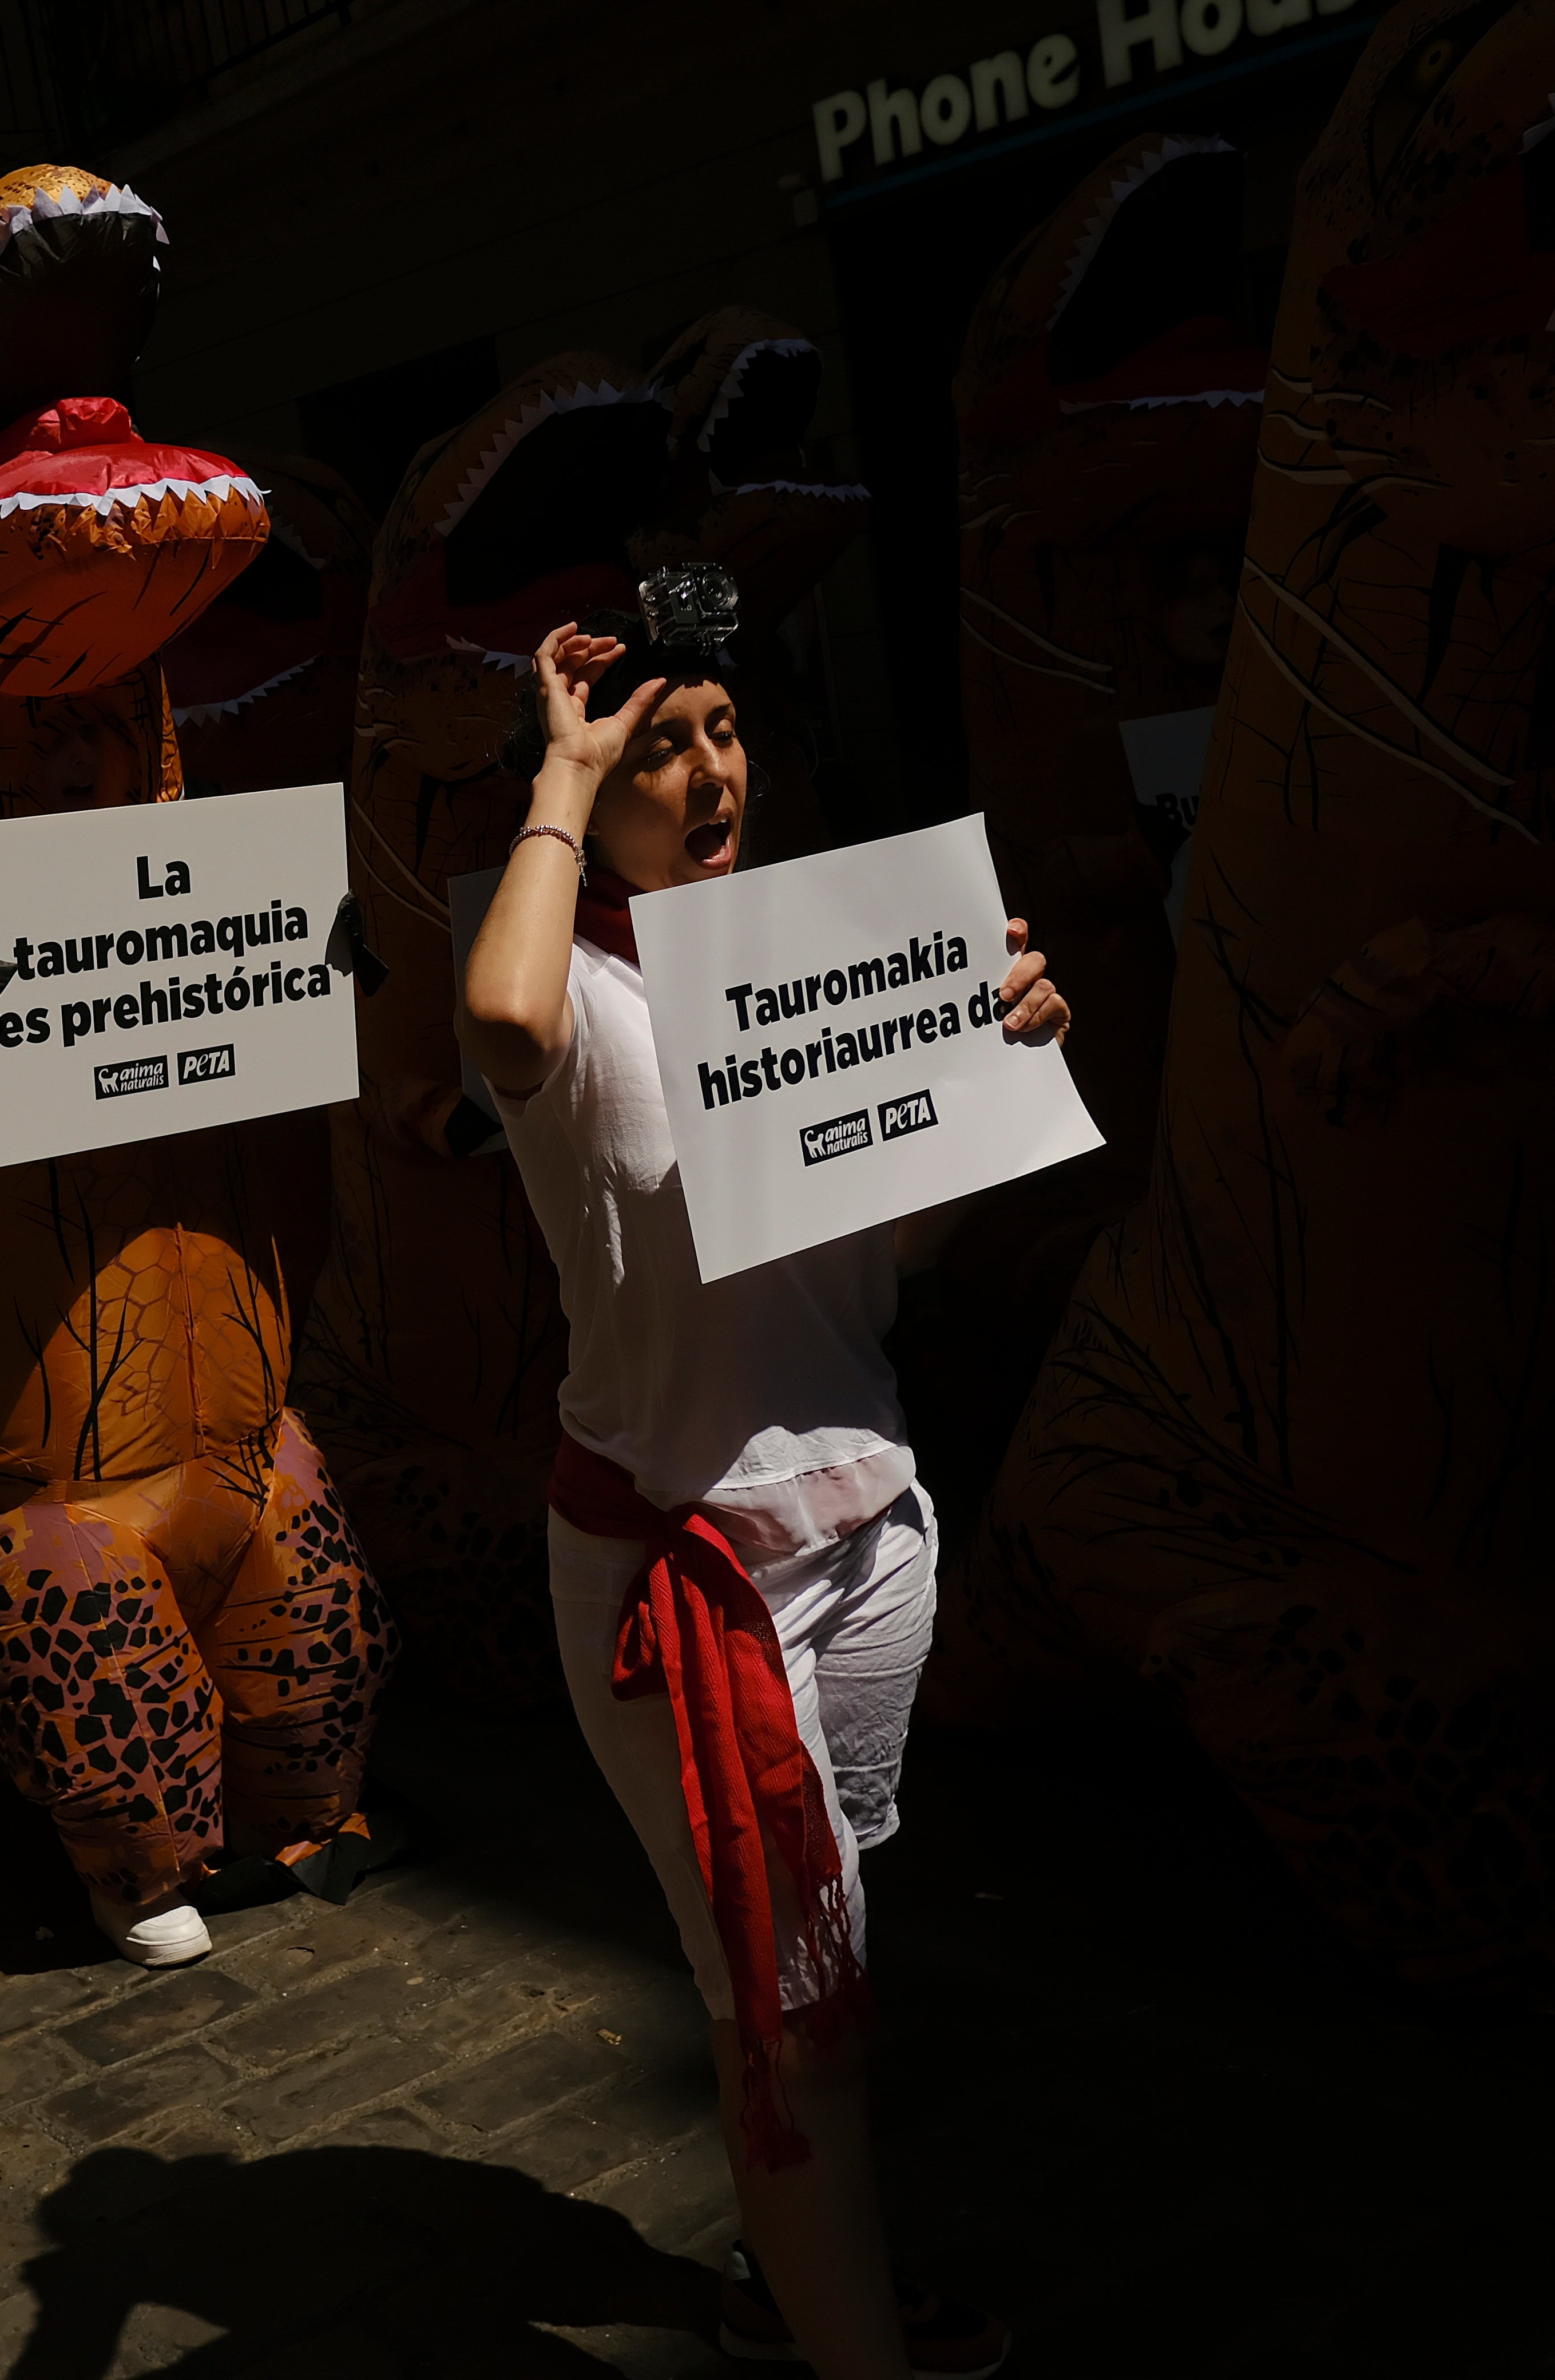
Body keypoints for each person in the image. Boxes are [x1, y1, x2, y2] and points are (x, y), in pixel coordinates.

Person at [459, 577, 1065, 2379]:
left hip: (871, 1539)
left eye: (725, 731)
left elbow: (904, 1259)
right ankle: (840, 2341)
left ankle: (796, 2280)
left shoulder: (825, 966)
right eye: (662, 744)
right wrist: (554, 783)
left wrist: (998, 1064)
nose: (711, 773)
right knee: (788, 2018)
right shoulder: (567, 992)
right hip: (683, 1588)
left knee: (815, 1986)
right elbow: (494, 1023)